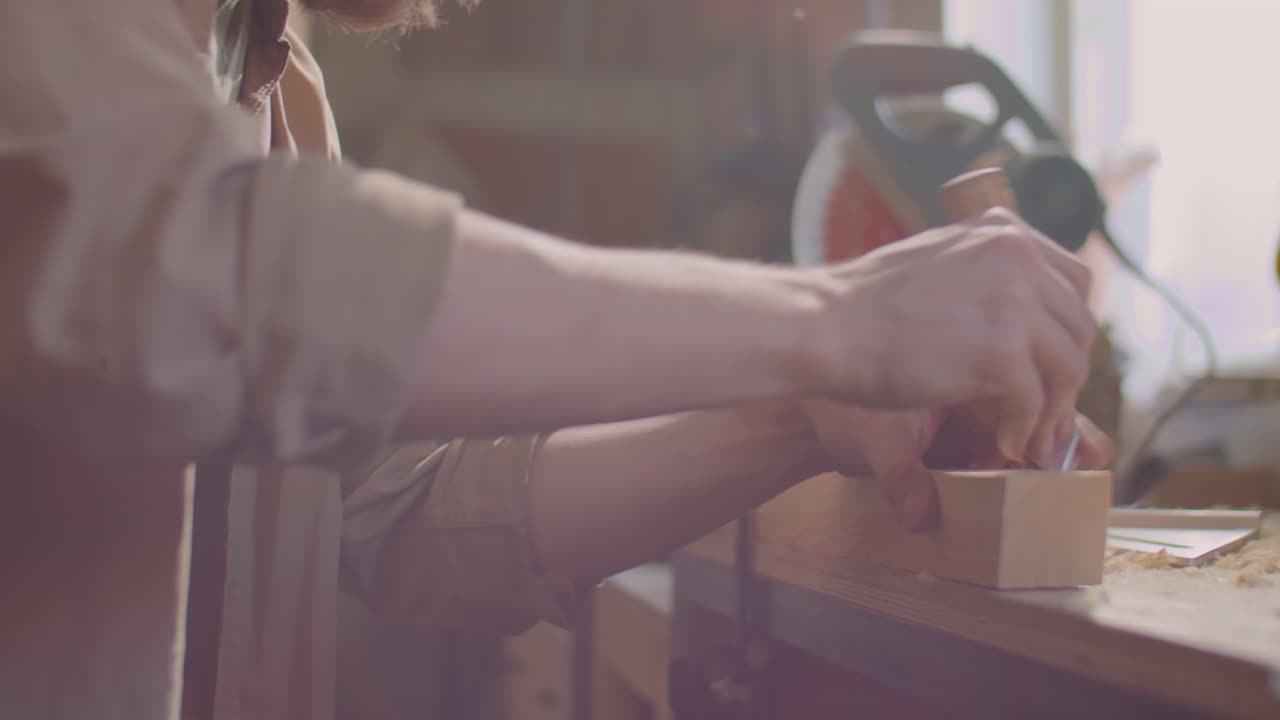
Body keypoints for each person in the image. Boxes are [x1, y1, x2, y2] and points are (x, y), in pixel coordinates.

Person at [0, 2, 1111, 720]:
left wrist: (798, 413)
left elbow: (383, 507)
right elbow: (205, 275)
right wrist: (835, 316)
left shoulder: (271, 78)